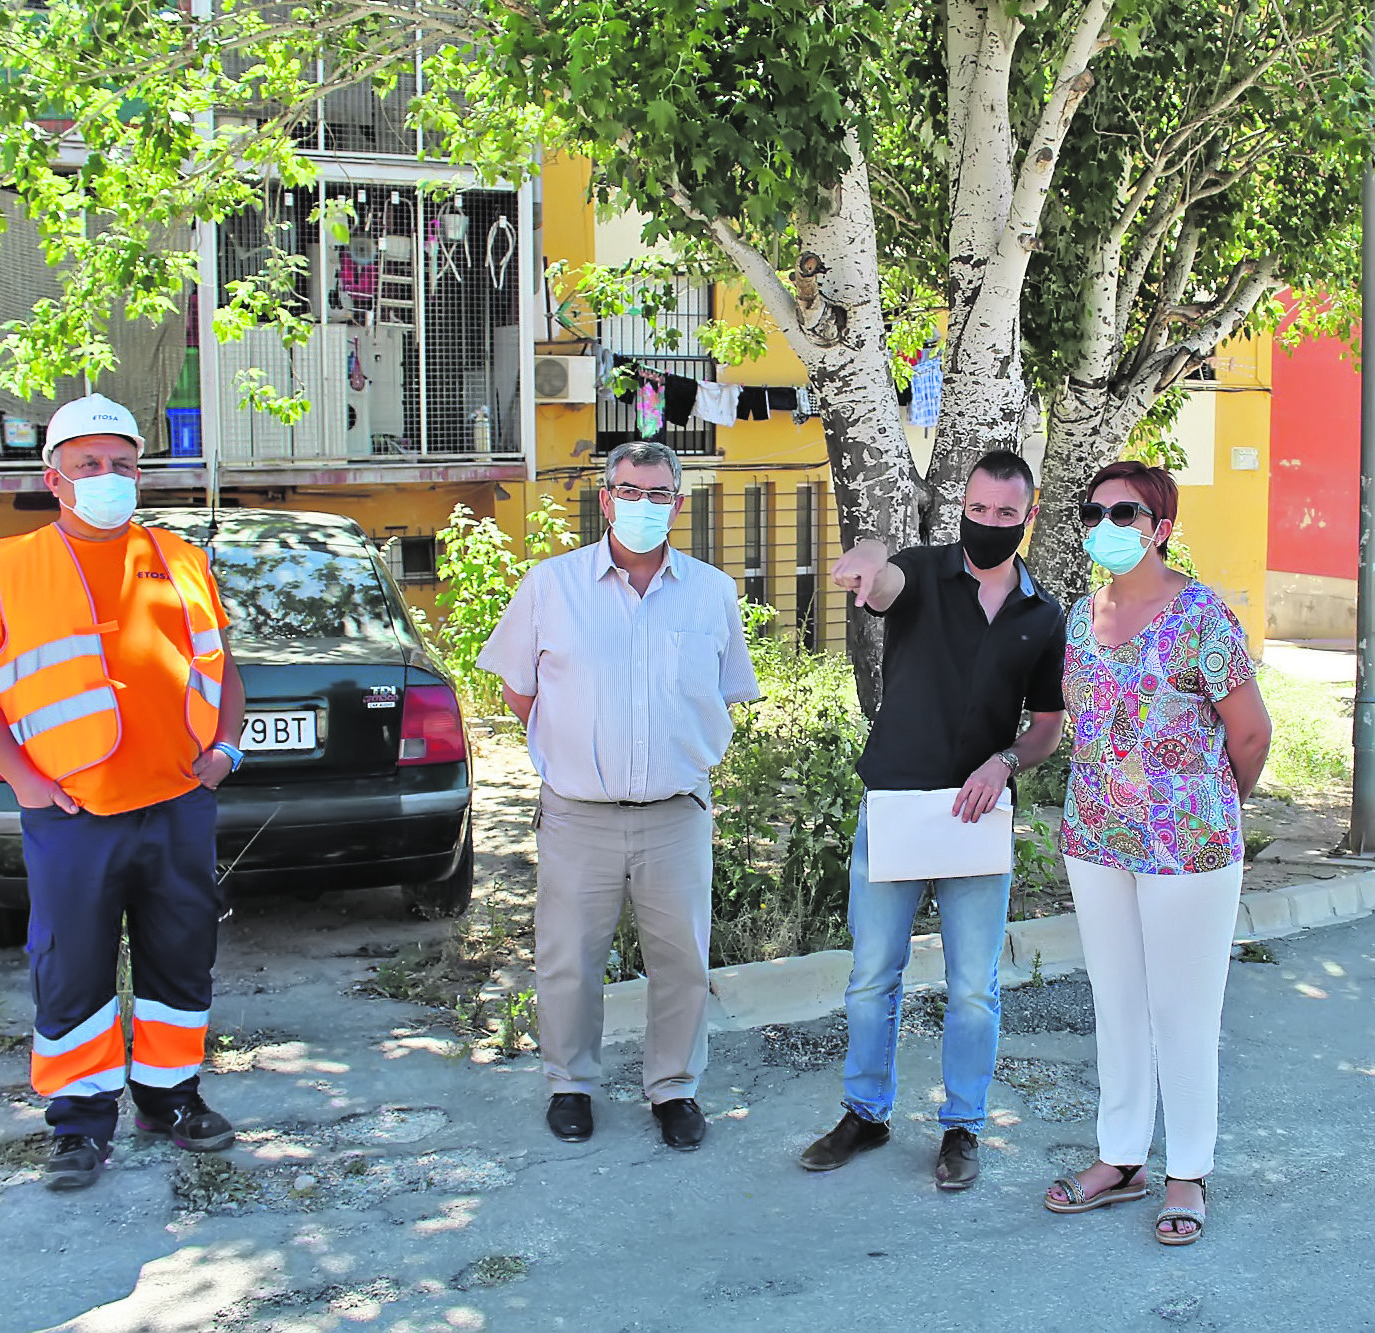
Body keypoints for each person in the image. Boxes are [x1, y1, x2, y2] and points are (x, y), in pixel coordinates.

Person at [0, 393, 248, 1192]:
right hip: (71, 813)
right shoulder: (13, 565)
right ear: (56, 477)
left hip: (179, 803)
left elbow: (223, 668)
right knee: (71, 964)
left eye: (122, 463)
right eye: (89, 465)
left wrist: (224, 750)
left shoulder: (181, 559)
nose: (108, 477)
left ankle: (169, 1097)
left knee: (181, 957)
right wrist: (24, 779)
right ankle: (79, 1125)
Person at [478, 441, 759, 1152]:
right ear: (605, 499)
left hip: (675, 815)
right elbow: (518, 685)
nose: (642, 505)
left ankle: (674, 1089)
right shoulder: (550, 586)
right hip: (579, 814)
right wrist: (572, 745)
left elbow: (726, 693)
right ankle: (570, 1083)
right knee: (569, 956)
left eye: (658, 494)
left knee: (682, 960)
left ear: (678, 503)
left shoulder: (711, 592)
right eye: (628, 492)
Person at [799, 449, 1066, 1191]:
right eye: (977, 510)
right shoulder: (921, 570)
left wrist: (1005, 762)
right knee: (870, 976)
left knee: (974, 986)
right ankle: (866, 1113)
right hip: (896, 802)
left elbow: (1047, 723)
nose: (988, 523)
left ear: (1028, 516)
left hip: (977, 816)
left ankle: (962, 1128)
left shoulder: (1043, 614)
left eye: (1004, 514)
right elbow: (881, 582)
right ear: (963, 508)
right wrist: (870, 558)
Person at [1042, 460, 1271, 1247]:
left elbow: (1250, 732)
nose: (1108, 523)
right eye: (1095, 509)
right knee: (1117, 1000)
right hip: (1097, 836)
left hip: (1189, 846)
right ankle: (1122, 1157)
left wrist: (1205, 804)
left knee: (1183, 1009)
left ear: (1162, 526)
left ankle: (1187, 1172)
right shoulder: (1080, 617)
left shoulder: (1203, 615)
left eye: (1127, 512)